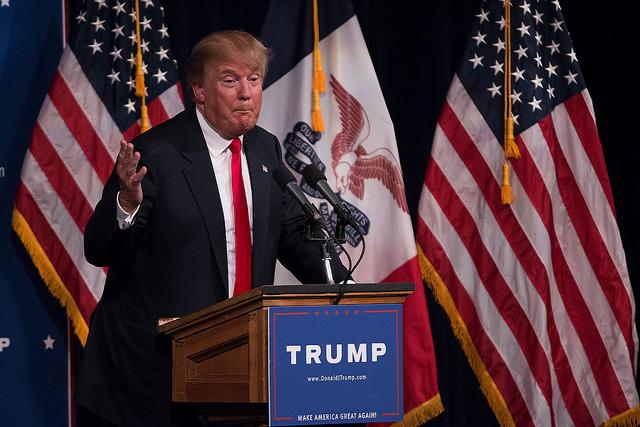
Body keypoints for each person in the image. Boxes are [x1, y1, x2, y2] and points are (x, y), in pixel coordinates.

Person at [76, 30, 347, 427]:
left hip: (238, 368)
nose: (246, 93)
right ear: (199, 91)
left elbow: (294, 237)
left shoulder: (265, 150)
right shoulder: (157, 155)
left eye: (254, 79)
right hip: (149, 378)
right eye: (230, 80)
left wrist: (352, 298)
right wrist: (125, 205)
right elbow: (99, 249)